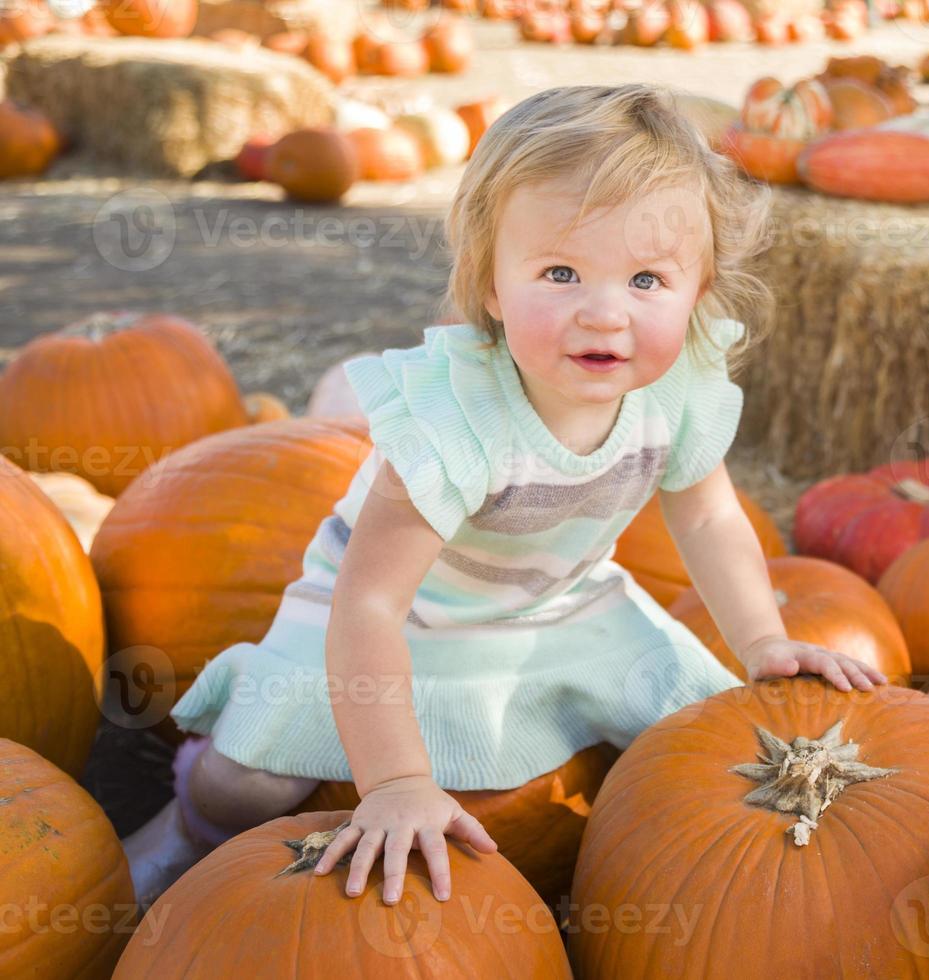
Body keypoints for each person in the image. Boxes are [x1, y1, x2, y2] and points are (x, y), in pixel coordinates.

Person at [122, 83, 887, 909]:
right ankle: (182, 828)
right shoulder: (458, 419)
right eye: (561, 272)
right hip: (396, 617)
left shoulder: (678, 388)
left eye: (647, 280)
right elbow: (369, 604)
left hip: (562, 604)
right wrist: (396, 782)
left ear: (699, 289)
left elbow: (706, 516)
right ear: (491, 285)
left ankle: (633, 905)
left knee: (693, 738)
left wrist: (764, 639)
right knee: (256, 777)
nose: (604, 314)